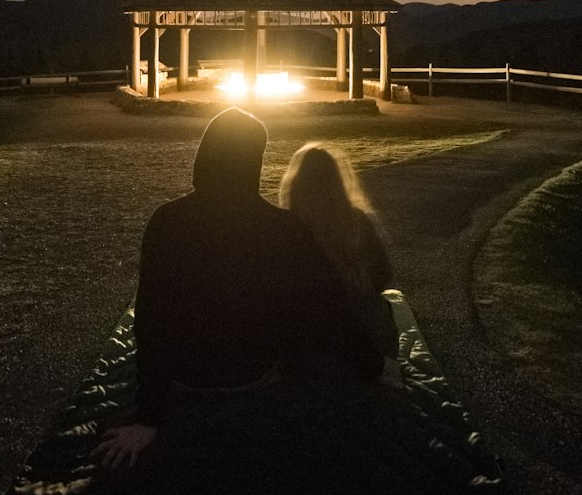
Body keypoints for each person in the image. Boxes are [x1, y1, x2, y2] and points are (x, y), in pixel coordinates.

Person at [91, 108, 385, 470]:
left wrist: (148, 417)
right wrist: (370, 362)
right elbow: (324, 307)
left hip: (185, 374)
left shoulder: (167, 221)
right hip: (253, 371)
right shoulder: (284, 228)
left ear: (205, 155)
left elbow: (152, 318)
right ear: (254, 162)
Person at [278, 144, 399, 362]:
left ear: (295, 184)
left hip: (307, 345)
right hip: (365, 340)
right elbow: (382, 276)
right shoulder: (357, 222)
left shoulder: (286, 227)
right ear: (338, 183)